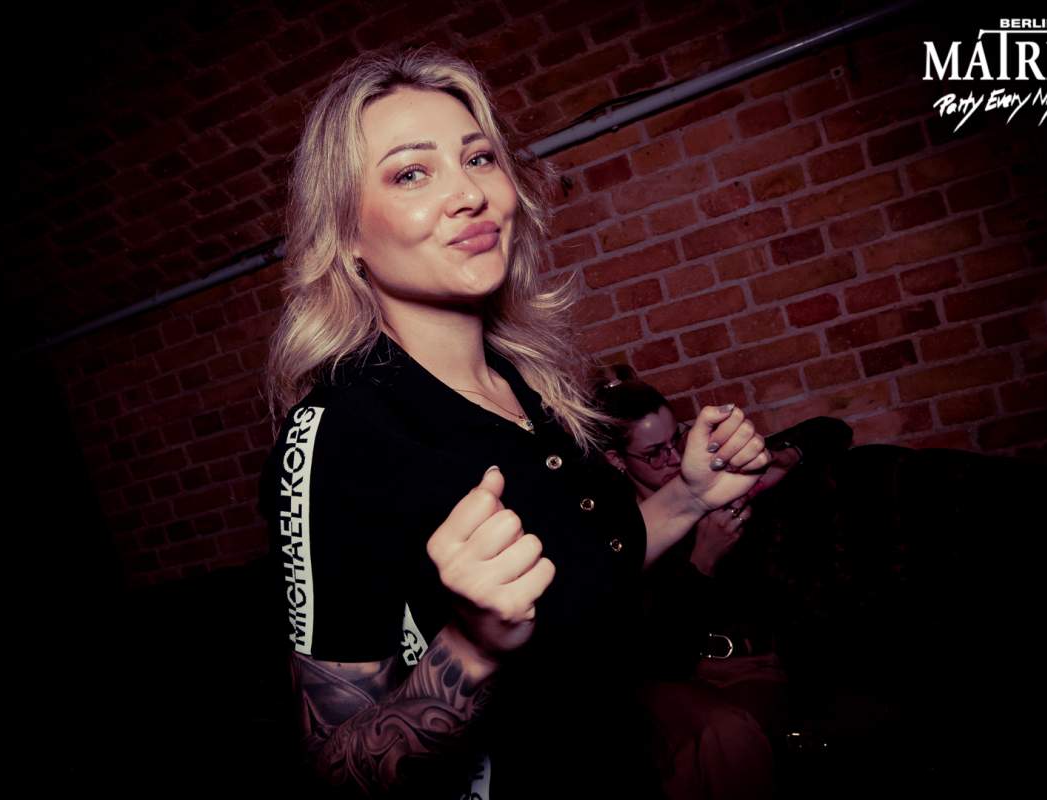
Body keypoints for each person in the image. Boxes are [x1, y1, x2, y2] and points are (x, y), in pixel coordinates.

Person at [258, 46, 771, 799]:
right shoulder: (337, 435)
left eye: (478, 158)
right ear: (347, 236)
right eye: (411, 173)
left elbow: (581, 575)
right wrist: (471, 647)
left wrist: (689, 497)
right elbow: (338, 767)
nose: (468, 193)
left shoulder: (531, 382)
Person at [593, 365, 853, 799]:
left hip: (749, 667)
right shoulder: (621, 534)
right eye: (654, 453)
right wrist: (702, 560)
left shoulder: (715, 484)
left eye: (677, 439)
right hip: (674, 675)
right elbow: (658, 657)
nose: (673, 458)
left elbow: (831, 431)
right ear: (617, 460)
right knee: (715, 738)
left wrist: (780, 458)